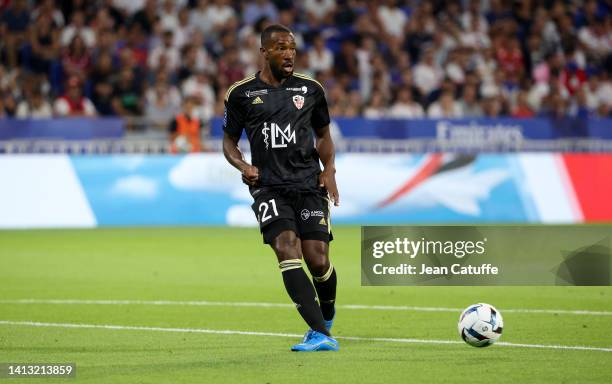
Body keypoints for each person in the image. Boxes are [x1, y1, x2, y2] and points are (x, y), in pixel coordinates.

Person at [222, 24, 339, 352]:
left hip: (307, 184)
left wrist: (329, 170)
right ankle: (320, 333)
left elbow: (324, 136)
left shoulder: (311, 89)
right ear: (264, 52)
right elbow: (229, 141)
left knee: (318, 260)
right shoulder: (241, 94)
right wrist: (243, 165)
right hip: (268, 187)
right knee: (287, 249)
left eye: (292, 48)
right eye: (281, 47)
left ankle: (325, 317)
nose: (289, 54)